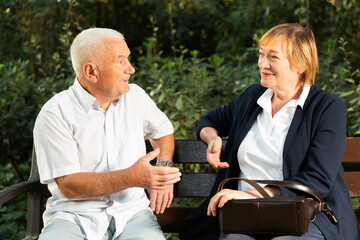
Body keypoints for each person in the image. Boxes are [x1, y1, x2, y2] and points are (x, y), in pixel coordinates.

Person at [179, 23, 360, 240]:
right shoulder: (252, 98)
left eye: (273, 57)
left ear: (301, 64)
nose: (262, 64)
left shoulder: (327, 107)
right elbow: (209, 120)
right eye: (261, 55)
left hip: (306, 217)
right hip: (242, 217)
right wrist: (213, 138)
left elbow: (318, 179)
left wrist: (250, 196)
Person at [33, 28, 182, 240]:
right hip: (74, 218)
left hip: (132, 215)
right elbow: (69, 185)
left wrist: (164, 165)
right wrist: (132, 177)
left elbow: (164, 131)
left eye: (128, 59)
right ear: (91, 71)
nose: (130, 69)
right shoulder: (55, 113)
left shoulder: (136, 97)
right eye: (120, 61)